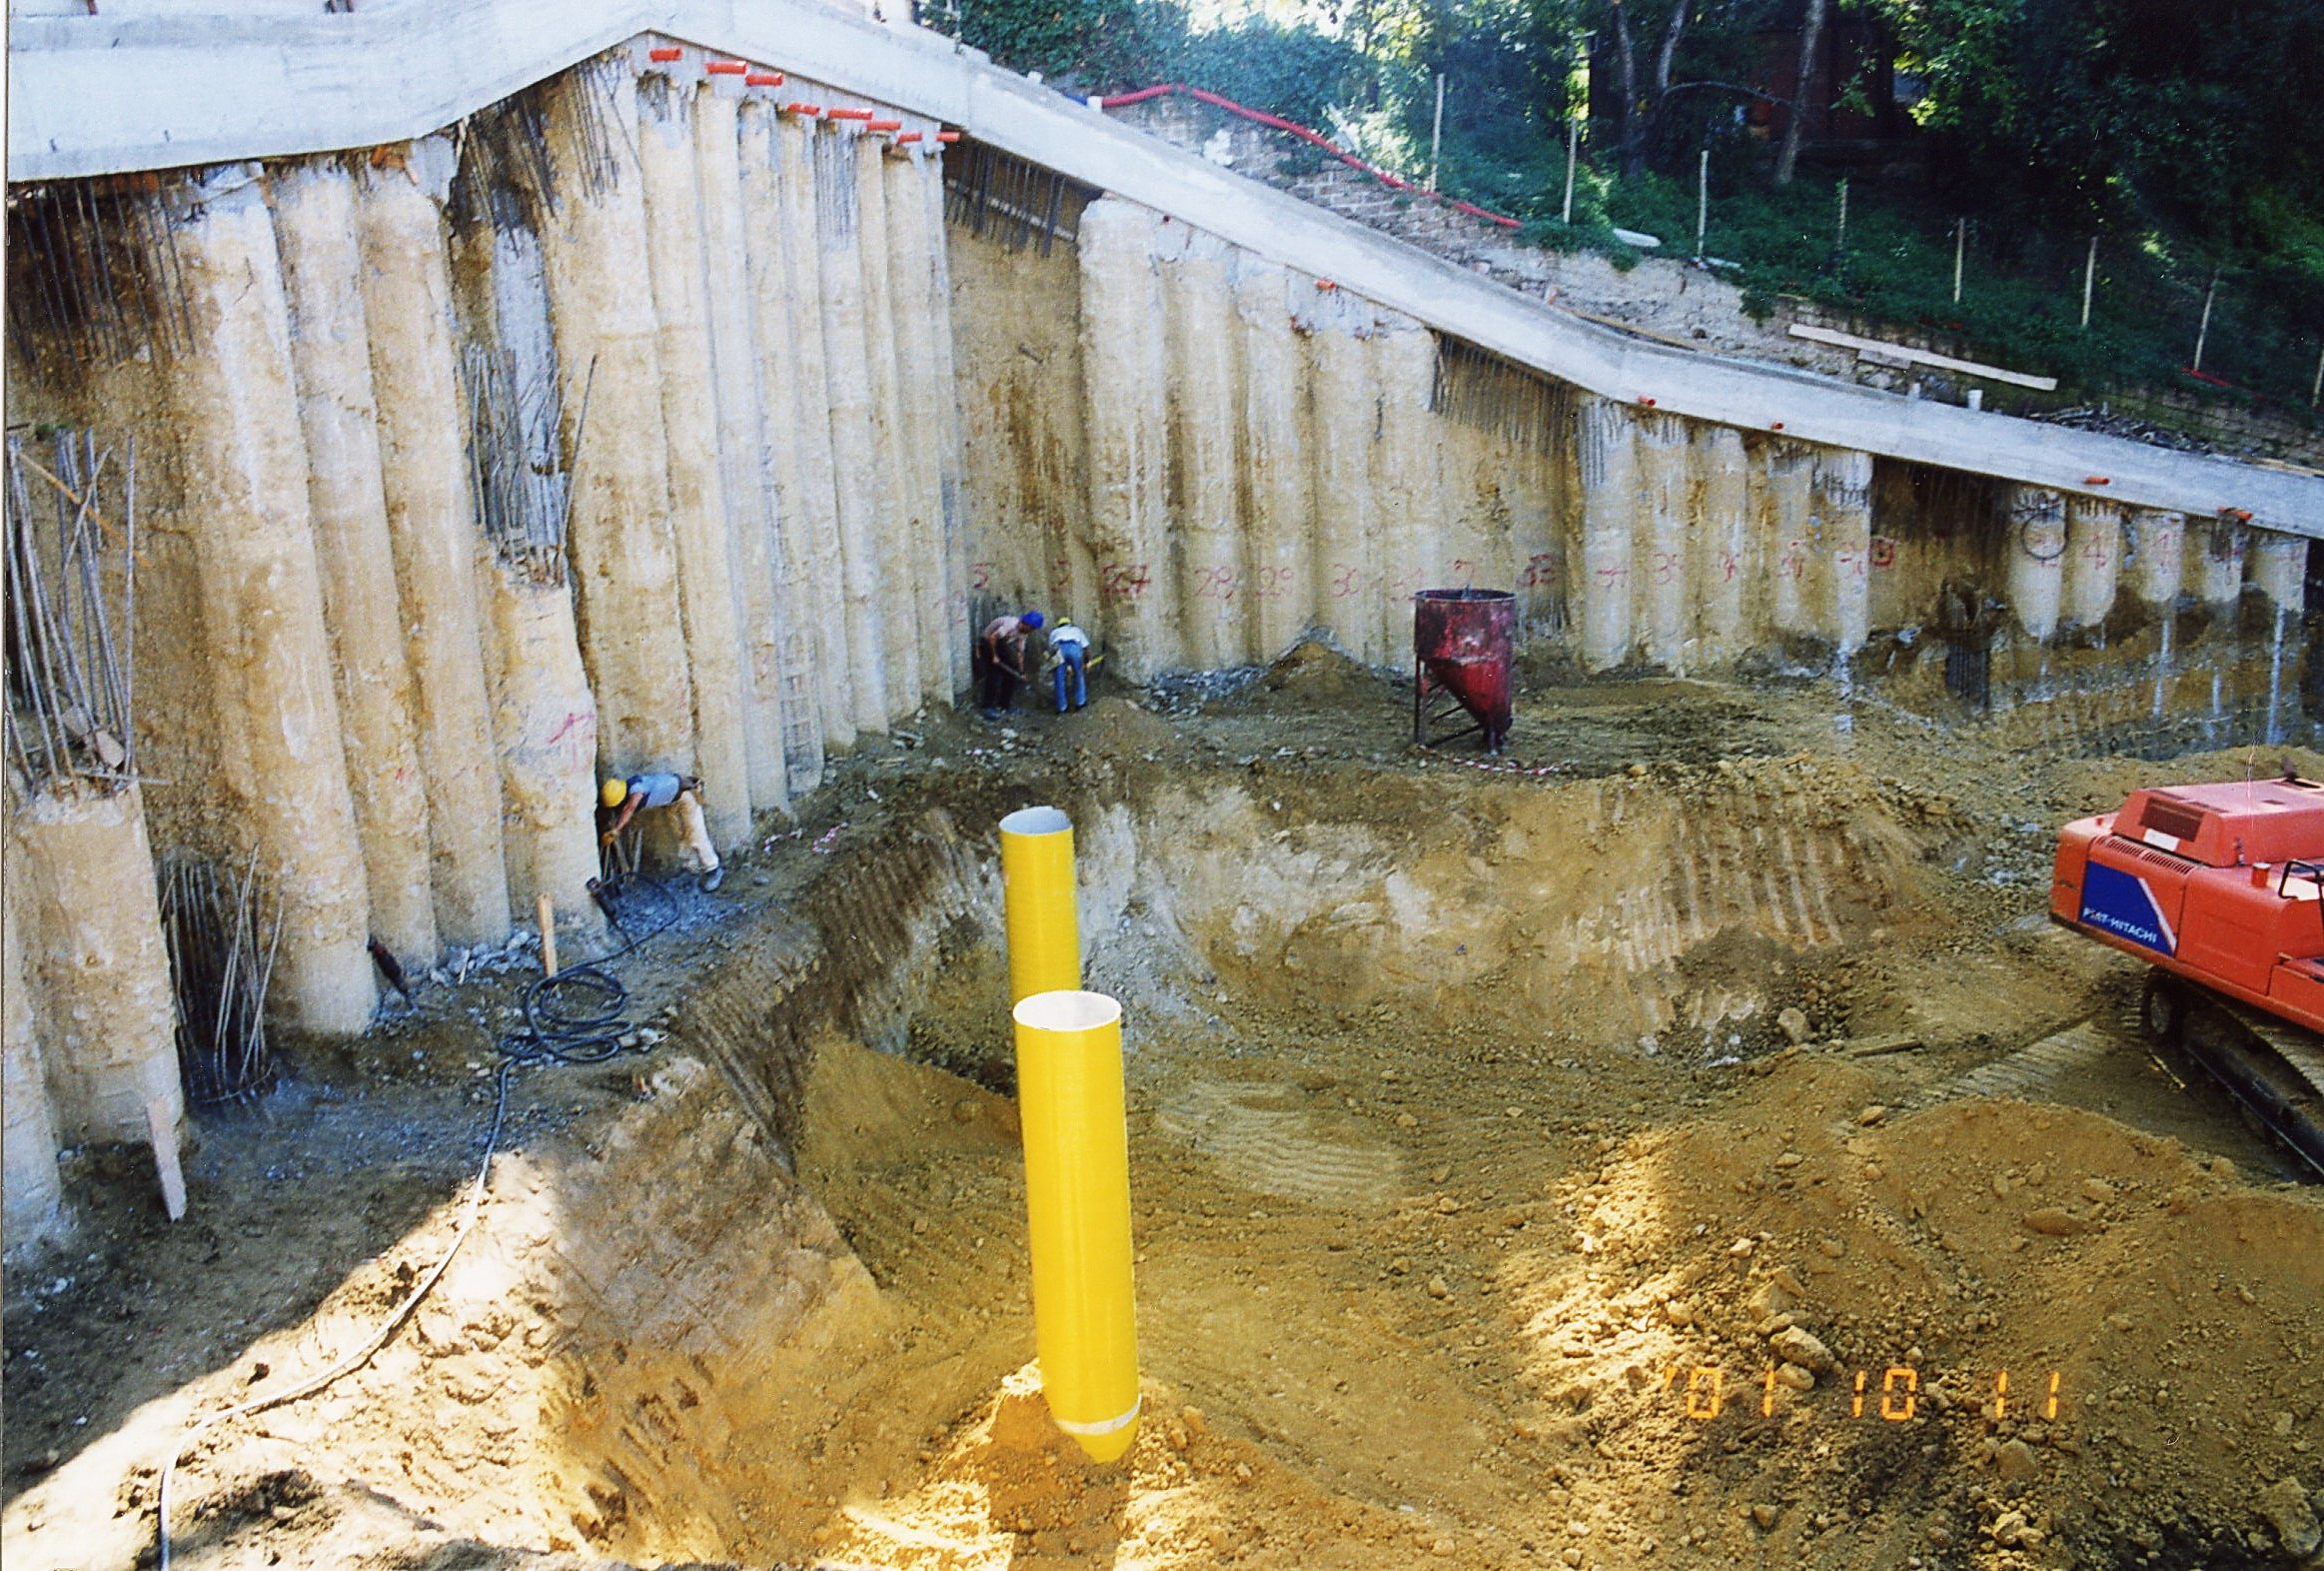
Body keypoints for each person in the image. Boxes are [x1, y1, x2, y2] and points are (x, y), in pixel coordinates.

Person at [600, 772, 723, 891]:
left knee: (695, 836)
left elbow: (630, 808)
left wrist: (616, 830)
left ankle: (713, 868)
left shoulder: (636, 790)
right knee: (681, 835)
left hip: (686, 796)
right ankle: (695, 868)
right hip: (673, 801)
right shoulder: (630, 784)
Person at [976, 610, 1043, 717]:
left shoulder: (1023, 633)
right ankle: (987, 707)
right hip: (987, 643)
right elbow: (992, 637)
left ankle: (1004, 705)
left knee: (1011, 676)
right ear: (1026, 624)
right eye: (1032, 628)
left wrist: (1021, 672)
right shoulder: (1010, 625)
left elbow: (1020, 653)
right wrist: (994, 656)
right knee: (993, 676)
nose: (1032, 631)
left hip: (1000, 644)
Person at [1045, 618, 1091, 714]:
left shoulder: (1055, 631)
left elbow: (1051, 649)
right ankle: (1080, 703)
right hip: (1074, 647)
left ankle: (1062, 707)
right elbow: (1086, 648)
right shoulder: (1076, 630)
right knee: (1078, 676)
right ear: (1069, 624)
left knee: (1059, 679)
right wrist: (1087, 662)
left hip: (1059, 649)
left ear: (1059, 625)